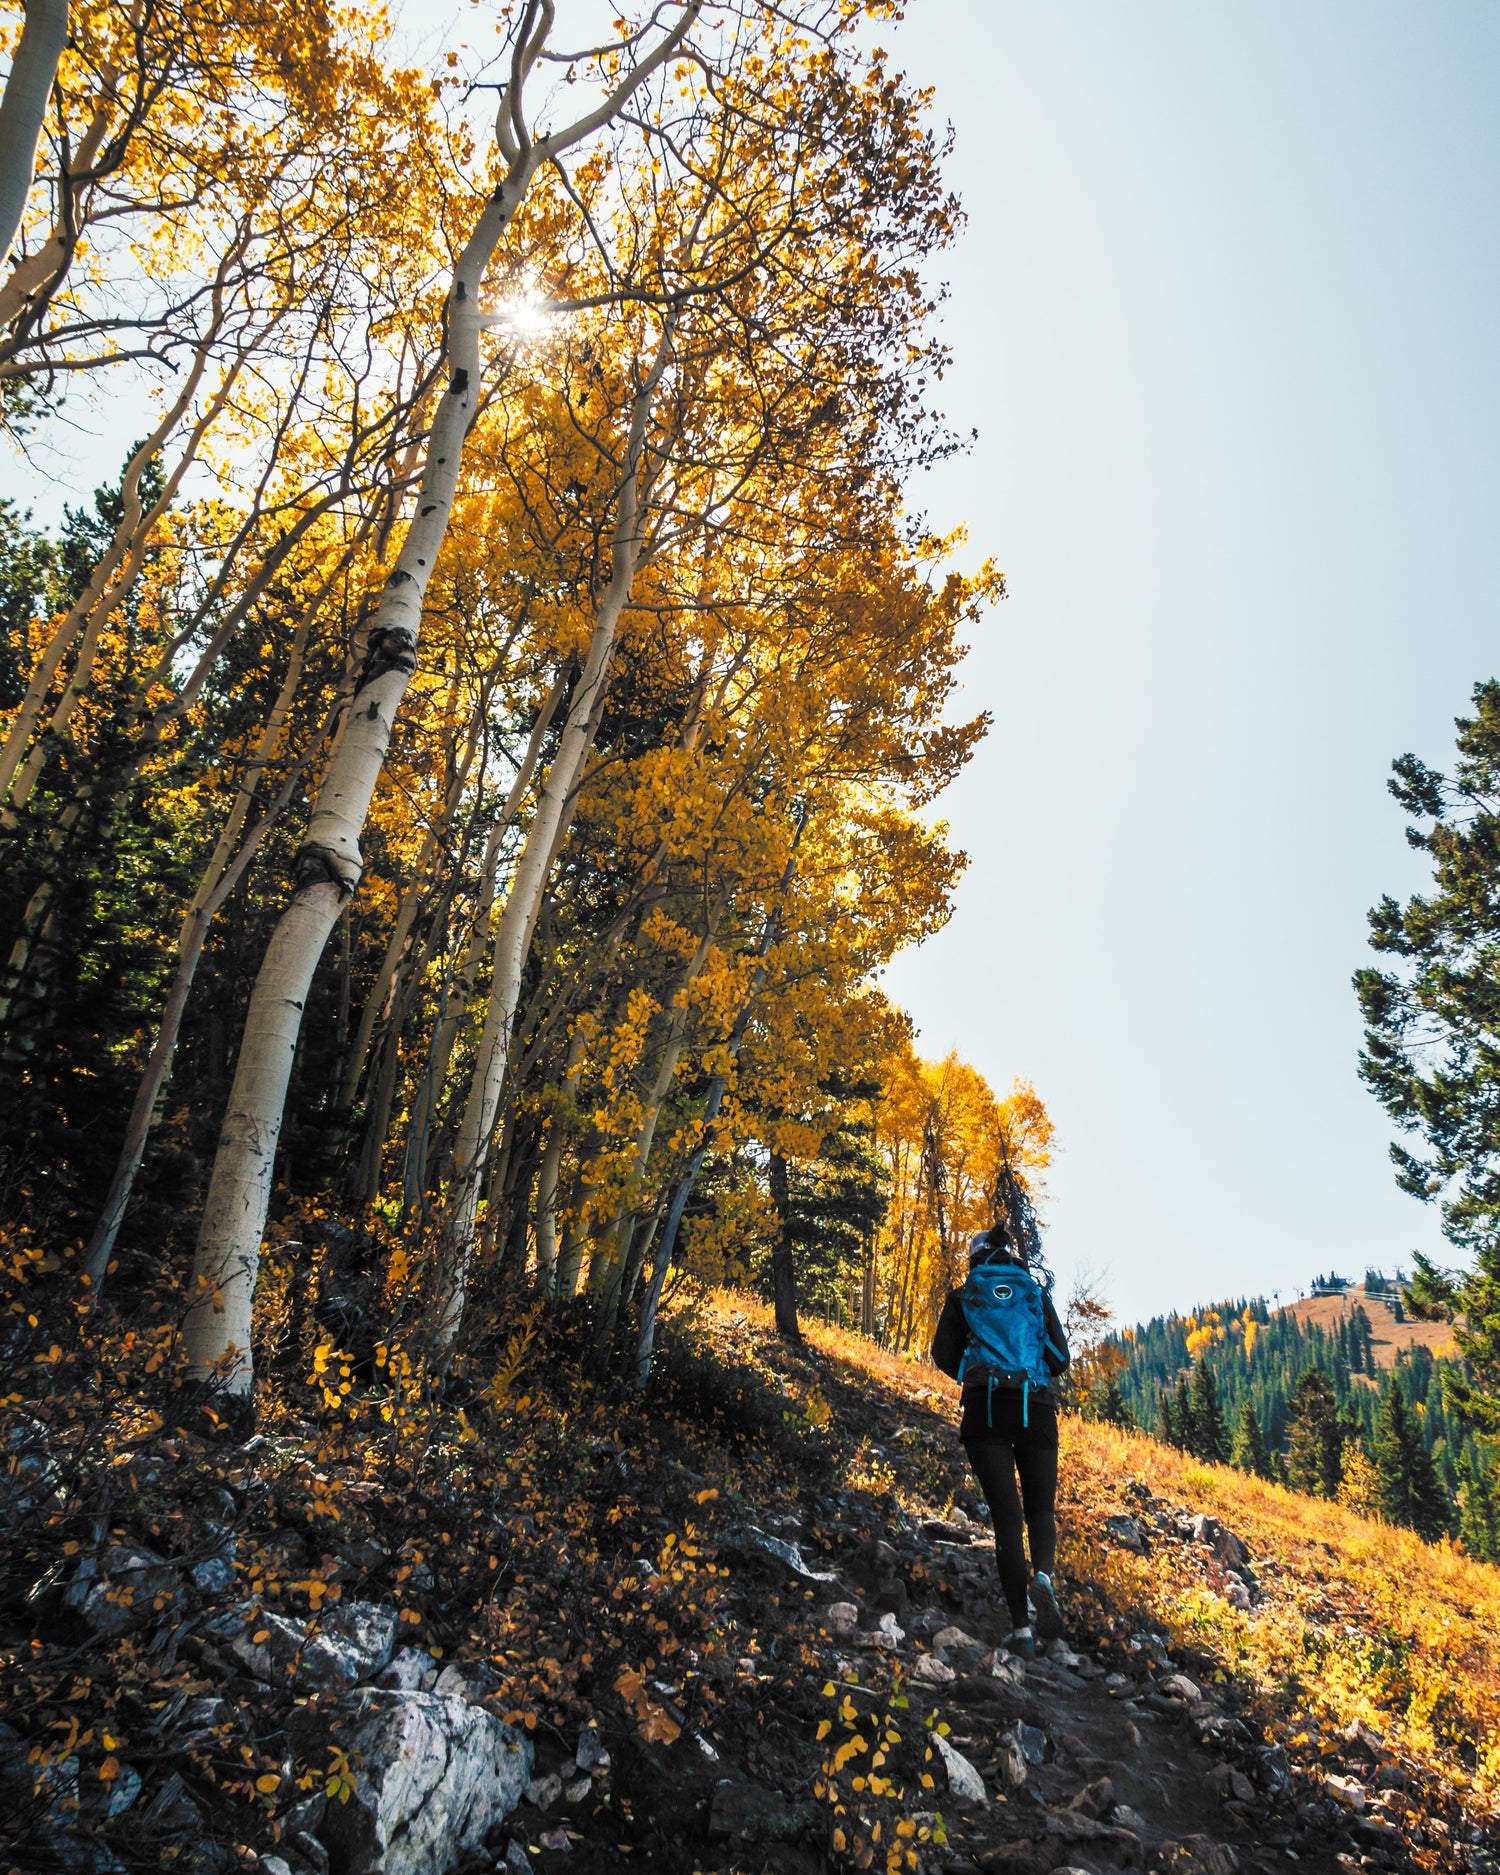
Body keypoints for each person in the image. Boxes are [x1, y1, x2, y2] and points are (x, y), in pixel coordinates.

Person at [930, 1221, 1070, 1656]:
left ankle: (1021, 1631)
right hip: (1036, 1407)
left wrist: (974, 1377)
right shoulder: (1033, 1291)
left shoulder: (964, 1294)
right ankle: (1043, 1576)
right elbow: (1061, 1358)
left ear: (975, 1258)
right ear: (1007, 1255)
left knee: (1008, 1523)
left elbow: (941, 1354)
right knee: (1040, 1510)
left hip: (986, 1411)